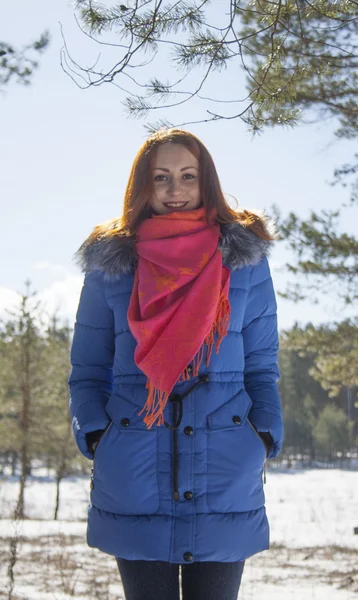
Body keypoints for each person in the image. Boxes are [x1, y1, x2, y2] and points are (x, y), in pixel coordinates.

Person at [68, 128, 284, 600]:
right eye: (161, 177)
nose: (175, 190)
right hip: (135, 467)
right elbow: (87, 371)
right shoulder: (112, 264)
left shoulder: (243, 259)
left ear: (206, 182)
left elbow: (261, 365)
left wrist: (262, 434)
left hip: (224, 466)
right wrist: (99, 435)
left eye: (188, 176)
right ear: (141, 185)